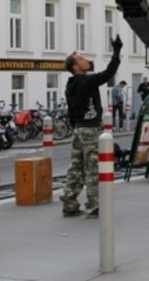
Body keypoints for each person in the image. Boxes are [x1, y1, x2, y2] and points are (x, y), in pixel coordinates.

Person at [61, 36, 122, 218]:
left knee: (76, 166)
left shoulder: (71, 85)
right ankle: (94, 203)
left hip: (78, 128)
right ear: (75, 67)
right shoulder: (86, 82)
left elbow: (71, 111)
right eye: (81, 59)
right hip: (90, 128)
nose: (86, 60)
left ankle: (70, 202)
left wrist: (75, 127)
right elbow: (109, 72)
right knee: (94, 166)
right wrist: (117, 51)